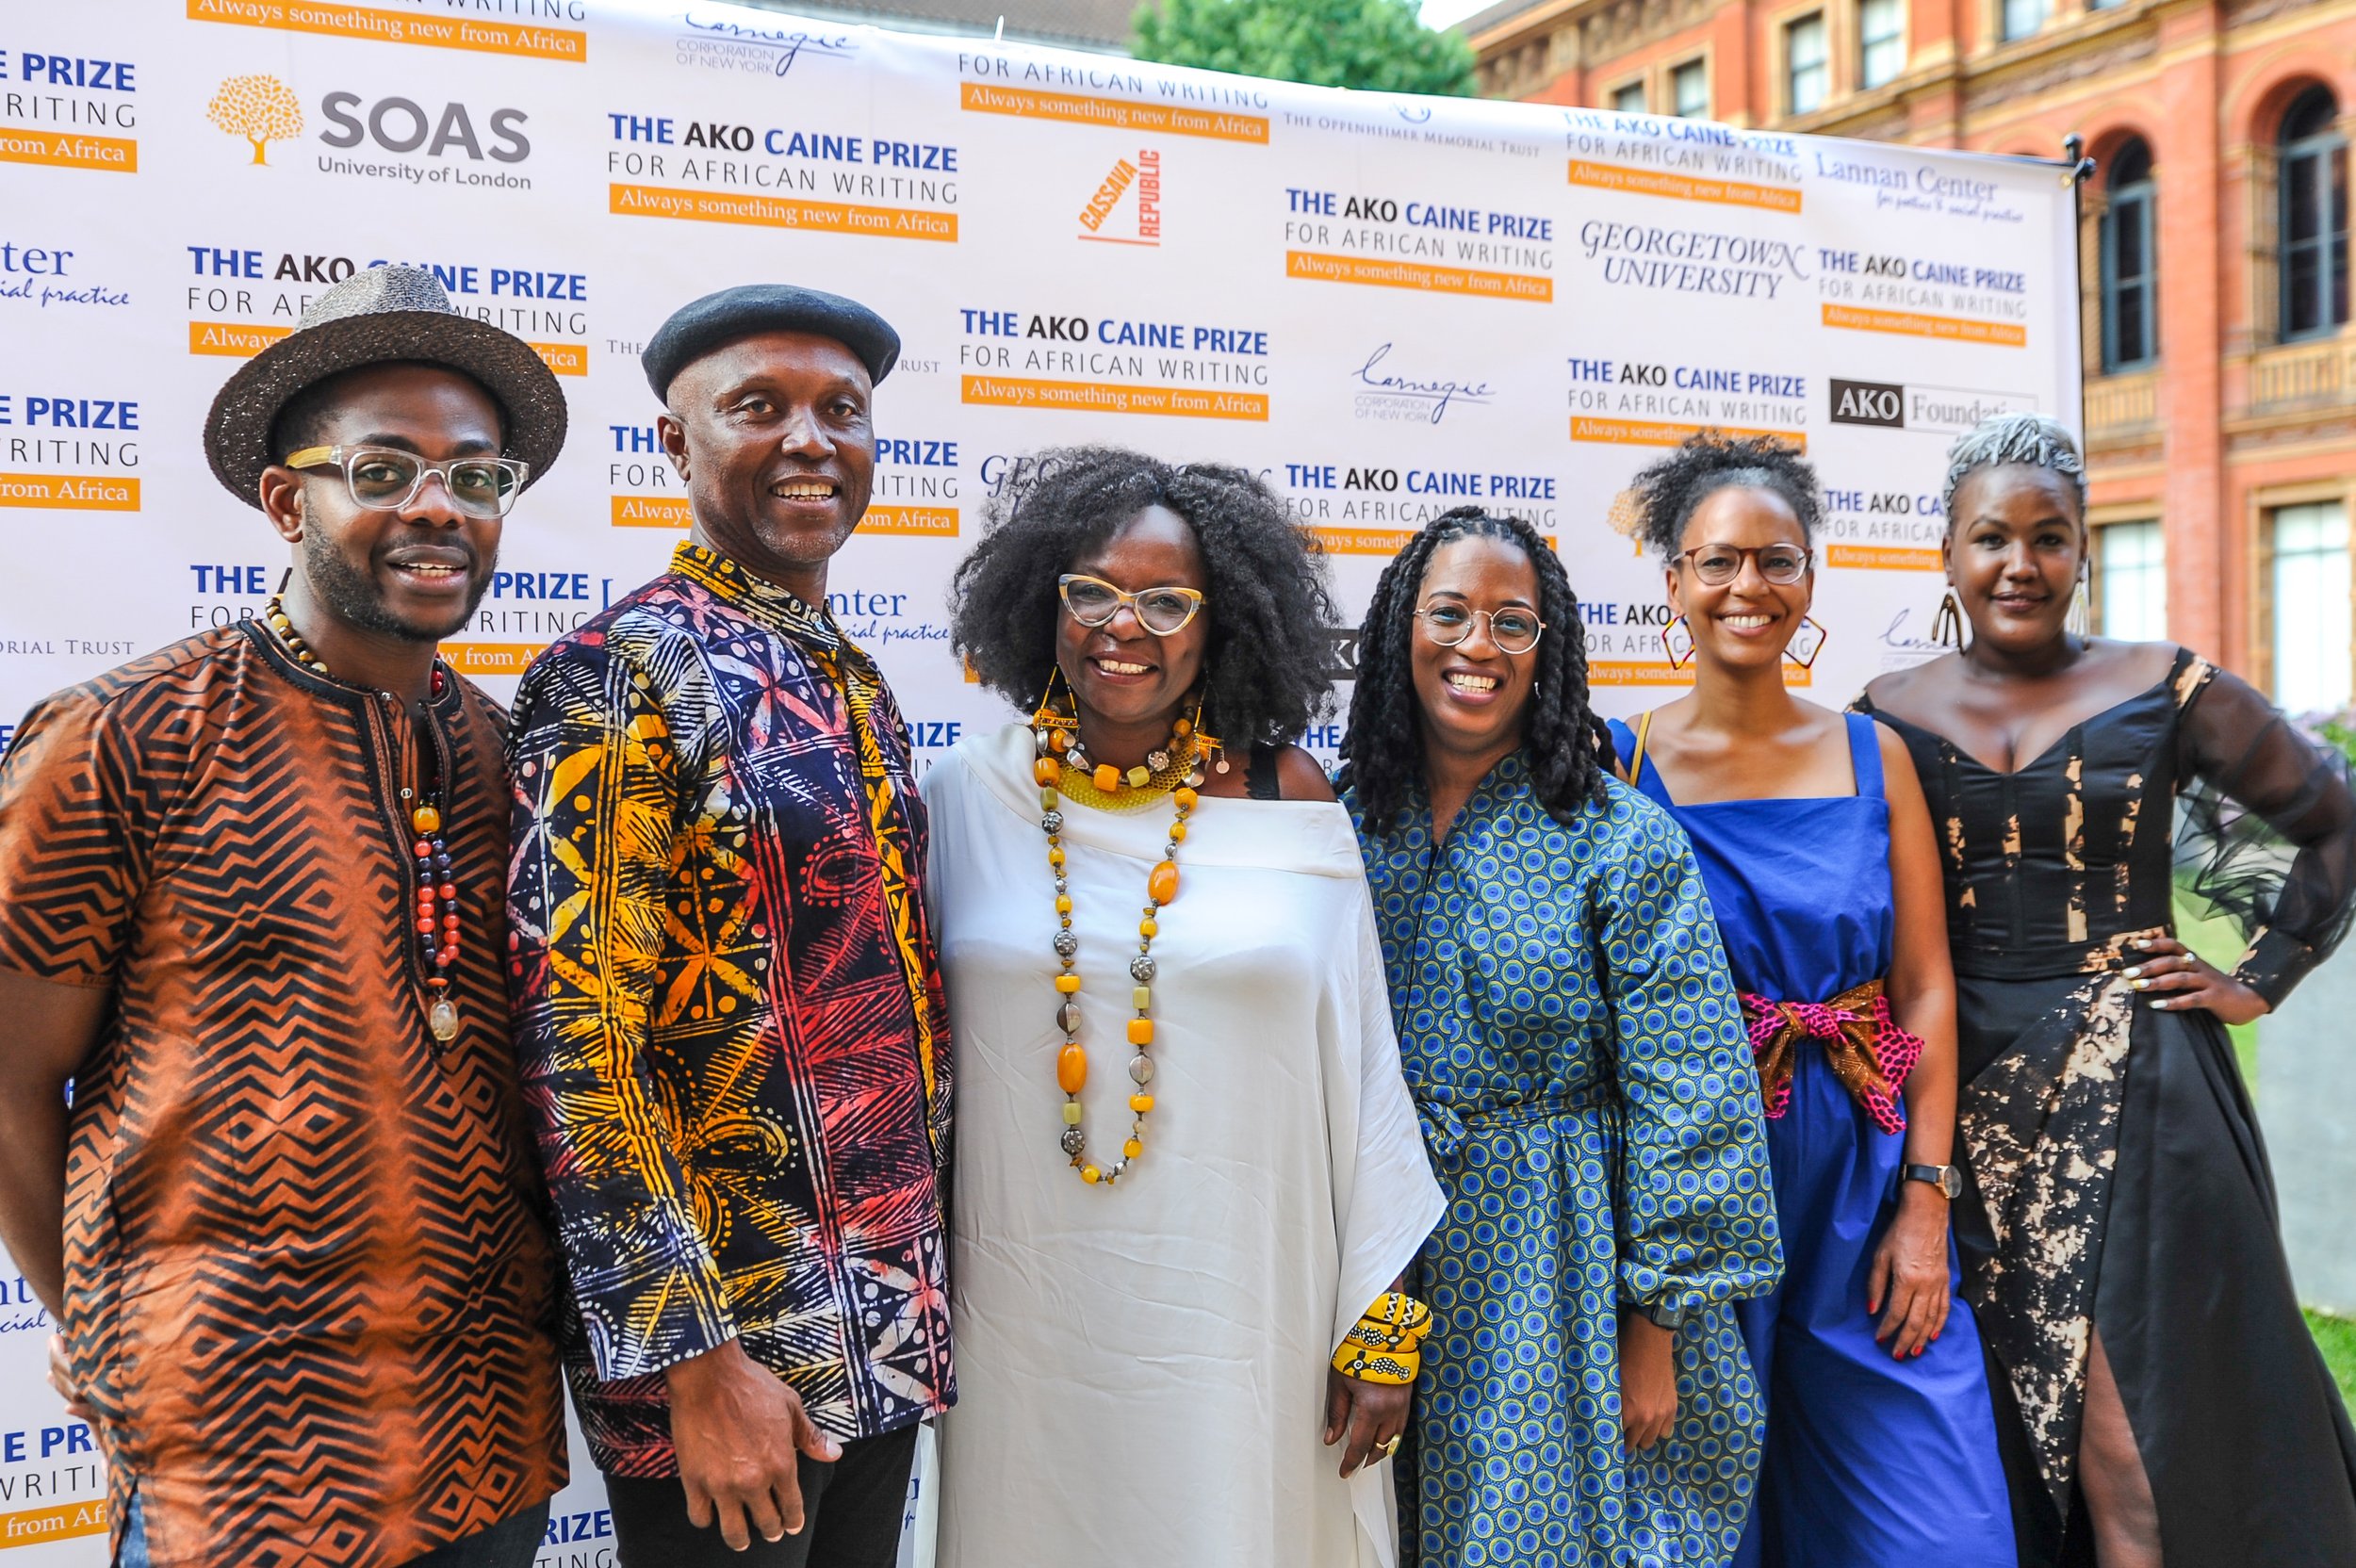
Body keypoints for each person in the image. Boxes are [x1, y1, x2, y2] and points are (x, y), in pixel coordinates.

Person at [0, 264, 570, 1567]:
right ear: (284, 499)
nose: (438, 509)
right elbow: (8, 1077)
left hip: (492, 1440)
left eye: (476, 479)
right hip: (236, 1458)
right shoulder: (123, 739)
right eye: (382, 472)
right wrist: (94, 1330)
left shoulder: (510, 759)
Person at [923, 448, 1445, 1568]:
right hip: (1027, 1316)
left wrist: (1384, 1319)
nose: (1126, 624)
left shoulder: (1287, 795)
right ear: (1040, 606)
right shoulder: (965, 795)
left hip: (1255, 1309)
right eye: (1093, 591)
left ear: (1223, 624)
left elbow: (1364, 1075)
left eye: (1167, 599)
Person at [1859, 413, 2356, 1568]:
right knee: (1989, 1432)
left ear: (2084, 551)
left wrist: (2254, 980)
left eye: (2049, 537)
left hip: (2139, 1098)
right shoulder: (1883, 712)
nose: (2018, 564)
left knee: (2138, 1436)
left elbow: (2334, 824)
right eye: (1990, 537)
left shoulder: (2168, 686)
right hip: (1950, 1101)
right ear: (1945, 552)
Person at [505, 285, 951, 1568]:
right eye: (759, 408)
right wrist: (692, 1360)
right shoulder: (617, 671)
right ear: (674, 443)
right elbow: (572, 1040)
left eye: (843, 412)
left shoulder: (852, 678)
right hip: (729, 1360)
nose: (811, 439)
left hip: (885, 1320)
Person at [1338, 506, 1782, 1568]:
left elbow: (1692, 1097)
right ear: (1402, 627)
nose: (1476, 645)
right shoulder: (1345, 819)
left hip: (1557, 1254)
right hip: (1374, 1240)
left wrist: (1655, 1326)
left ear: (1552, 649)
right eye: (1447, 613)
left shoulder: (1620, 840)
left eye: (1512, 622)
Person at [1602, 435, 2013, 1568]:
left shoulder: (1876, 754)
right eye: (1717, 561)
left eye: (1775, 559)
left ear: (1811, 575)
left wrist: (1925, 1203)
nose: (1748, 588)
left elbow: (1923, 983)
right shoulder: (1615, 761)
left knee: (1944, 1533)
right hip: (1692, 1179)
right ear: (1672, 581)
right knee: (1696, 1524)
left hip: (1859, 1172)